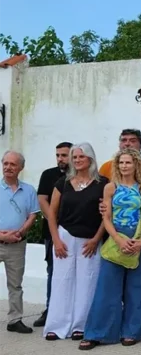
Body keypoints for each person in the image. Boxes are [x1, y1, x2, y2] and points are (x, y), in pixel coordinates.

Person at [79, 149, 141, 349]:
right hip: (115, 241)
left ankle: (132, 331)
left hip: (139, 242)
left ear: (135, 165)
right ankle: (97, 333)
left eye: (128, 162)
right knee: (107, 288)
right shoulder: (110, 188)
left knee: (137, 288)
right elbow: (107, 218)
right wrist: (118, 240)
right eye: (121, 163)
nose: (124, 166)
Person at [44, 143, 108, 340]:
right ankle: (57, 325)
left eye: (81, 156)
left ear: (90, 158)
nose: (78, 160)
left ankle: (80, 325)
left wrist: (96, 239)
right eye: (75, 157)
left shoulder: (103, 184)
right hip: (65, 237)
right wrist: (56, 239)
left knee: (87, 282)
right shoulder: (62, 183)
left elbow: (107, 215)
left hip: (90, 240)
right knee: (61, 281)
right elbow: (51, 214)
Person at [0, 150, 39, 334]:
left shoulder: (29, 190)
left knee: (15, 284)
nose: (8, 167)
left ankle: (14, 320)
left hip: (16, 244)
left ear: (21, 168)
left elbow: (32, 215)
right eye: (5, 163)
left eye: (12, 164)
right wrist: (2, 236)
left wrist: (21, 231)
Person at [35, 141, 72, 328]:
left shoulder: (80, 175)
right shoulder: (49, 175)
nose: (60, 159)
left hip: (76, 231)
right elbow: (42, 199)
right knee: (53, 271)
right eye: (58, 155)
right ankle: (50, 309)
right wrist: (53, 221)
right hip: (52, 232)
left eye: (64, 155)